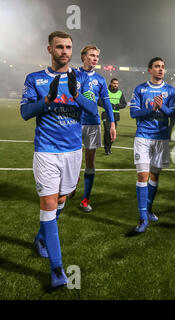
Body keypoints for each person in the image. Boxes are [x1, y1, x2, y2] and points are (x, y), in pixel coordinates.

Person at [20, 31, 98, 288]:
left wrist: (75, 94)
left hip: (73, 151)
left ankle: (41, 238)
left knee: (62, 199)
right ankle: (57, 270)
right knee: (49, 204)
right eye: (59, 47)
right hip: (46, 150)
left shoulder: (81, 78)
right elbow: (25, 113)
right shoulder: (35, 79)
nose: (65, 51)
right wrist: (46, 100)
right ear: (50, 50)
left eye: (68, 47)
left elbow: (91, 109)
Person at [129, 57, 175, 233]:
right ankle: (142, 218)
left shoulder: (170, 91)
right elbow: (134, 113)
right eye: (157, 66)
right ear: (150, 70)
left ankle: (149, 209)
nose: (160, 69)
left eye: (163, 67)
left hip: (162, 138)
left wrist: (162, 107)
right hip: (143, 137)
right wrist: (152, 109)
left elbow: (173, 113)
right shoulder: (140, 89)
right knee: (143, 176)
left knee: (155, 175)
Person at [76, 45, 116, 213]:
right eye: (91, 55)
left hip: (93, 123)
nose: (95, 58)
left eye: (97, 56)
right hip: (74, 123)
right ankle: (69, 187)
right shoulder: (73, 74)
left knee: (90, 160)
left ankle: (85, 199)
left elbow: (106, 103)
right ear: (83, 56)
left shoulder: (99, 79)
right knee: (71, 159)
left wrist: (112, 124)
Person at [101, 78, 126, 155]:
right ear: (111, 83)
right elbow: (99, 101)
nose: (115, 85)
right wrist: (108, 106)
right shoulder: (106, 91)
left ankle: (109, 147)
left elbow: (124, 104)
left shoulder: (120, 93)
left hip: (115, 115)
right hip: (106, 114)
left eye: (117, 84)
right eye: (114, 83)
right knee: (107, 131)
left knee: (112, 133)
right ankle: (107, 148)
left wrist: (116, 106)